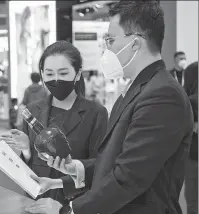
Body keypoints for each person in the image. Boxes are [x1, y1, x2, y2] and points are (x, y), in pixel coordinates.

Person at [25, 2, 194, 214]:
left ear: (135, 43)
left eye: (111, 40)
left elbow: (130, 177)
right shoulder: (139, 89)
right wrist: (77, 169)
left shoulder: (162, 95)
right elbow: (116, 161)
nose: (107, 48)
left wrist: (67, 210)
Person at [0, 41, 108, 205]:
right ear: (42, 74)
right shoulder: (32, 111)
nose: (56, 79)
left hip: (74, 204)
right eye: (49, 74)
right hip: (36, 203)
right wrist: (26, 149)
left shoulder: (95, 113)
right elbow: (27, 170)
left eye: (63, 73)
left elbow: (99, 167)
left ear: (78, 74)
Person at [183, 61, 198, 214]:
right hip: (193, 151)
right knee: (192, 198)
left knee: (192, 199)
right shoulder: (192, 70)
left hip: (192, 153)